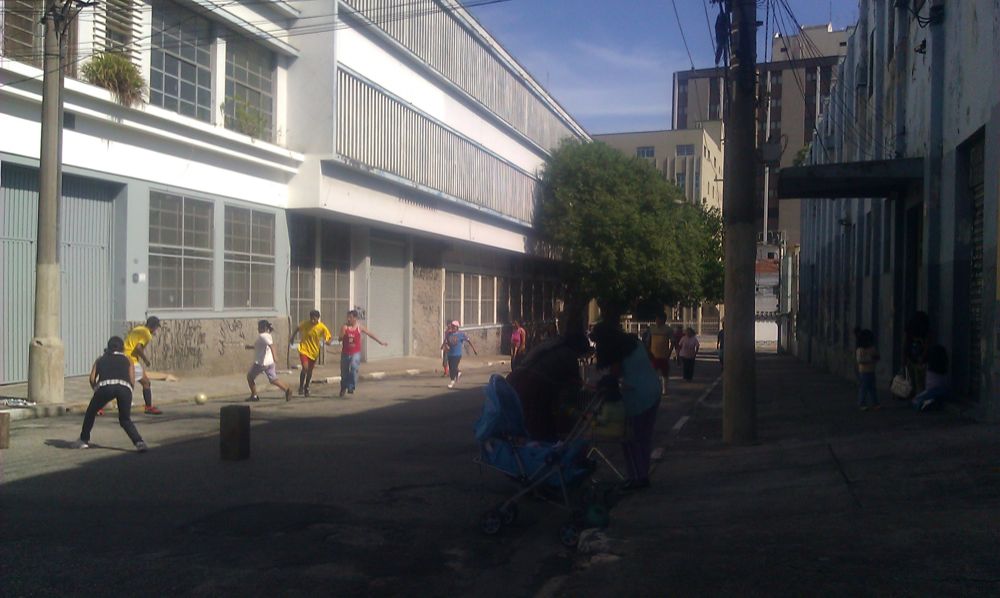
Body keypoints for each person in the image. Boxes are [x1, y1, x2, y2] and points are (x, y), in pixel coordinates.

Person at [589, 321, 660, 491]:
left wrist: (598, 387)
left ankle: (637, 477)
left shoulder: (617, 351)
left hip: (638, 396)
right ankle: (640, 475)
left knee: (631, 439)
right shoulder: (634, 342)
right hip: (653, 390)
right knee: (643, 438)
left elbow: (613, 377)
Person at [506, 331, 591, 441]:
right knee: (539, 424)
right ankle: (539, 450)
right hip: (533, 385)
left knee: (525, 422)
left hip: (516, 378)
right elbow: (574, 385)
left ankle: (529, 448)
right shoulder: (569, 354)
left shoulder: (553, 344)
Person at [73, 336, 147, 452]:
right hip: (124, 387)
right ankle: (139, 442)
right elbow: (132, 379)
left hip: (105, 386)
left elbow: (92, 379)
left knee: (91, 412)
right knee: (125, 419)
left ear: (108, 348)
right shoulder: (128, 359)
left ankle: (83, 440)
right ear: (122, 348)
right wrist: (128, 391)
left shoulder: (100, 359)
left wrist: (96, 391)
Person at [339, 310, 388, 397]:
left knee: (354, 367)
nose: (348, 319)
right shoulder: (345, 327)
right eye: (348, 317)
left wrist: (381, 342)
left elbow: (370, 334)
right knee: (344, 372)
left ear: (355, 318)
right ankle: (343, 387)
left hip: (355, 353)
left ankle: (351, 386)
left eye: (350, 317)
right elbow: (340, 338)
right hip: (345, 353)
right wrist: (342, 335)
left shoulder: (359, 327)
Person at [123, 316, 163, 415]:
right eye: (156, 328)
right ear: (153, 327)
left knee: (120, 383)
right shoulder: (147, 334)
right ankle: (148, 407)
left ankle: (99, 407)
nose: (156, 330)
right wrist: (145, 360)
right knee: (146, 383)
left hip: (122, 357)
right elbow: (138, 347)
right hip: (131, 360)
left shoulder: (137, 329)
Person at [245, 320, 292, 402]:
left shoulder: (263, 336)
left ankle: (254, 395)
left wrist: (275, 356)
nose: (258, 329)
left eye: (259, 327)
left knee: (250, 377)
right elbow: (262, 346)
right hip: (270, 363)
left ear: (264, 328)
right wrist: (250, 347)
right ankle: (287, 389)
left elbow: (272, 346)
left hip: (261, 363)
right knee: (273, 379)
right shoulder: (268, 335)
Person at [290, 310, 333, 397]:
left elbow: (329, 337)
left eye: (314, 318)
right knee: (305, 368)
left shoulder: (322, 327)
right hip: (304, 349)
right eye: (311, 318)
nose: (312, 320)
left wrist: (328, 341)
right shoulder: (306, 324)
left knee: (309, 371)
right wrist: (292, 338)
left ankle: (307, 387)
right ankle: (301, 386)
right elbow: (298, 328)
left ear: (318, 318)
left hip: (314, 352)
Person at [913, 345, 949, 412]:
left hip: (931, 391)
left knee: (916, 400)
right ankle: (933, 402)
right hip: (943, 390)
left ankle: (927, 404)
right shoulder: (943, 366)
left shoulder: (929, 366)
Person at [442, 321, 477, 388]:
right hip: (450, 354)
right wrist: (445, 345)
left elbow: (468, 341)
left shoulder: (461, 334)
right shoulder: (449, 334)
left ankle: (452, 381)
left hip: (457, 354)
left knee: (453, 367)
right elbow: (446, 341)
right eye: (452, 326)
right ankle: (457, 373)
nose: (452, 327)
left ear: (457, 327)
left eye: (454, 326)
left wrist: (474, 349)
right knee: (451, 367)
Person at [903, 311, 930, 398]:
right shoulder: (925, 330)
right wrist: (922, 357)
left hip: (910, 357)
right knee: (920, 380)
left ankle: (913, 394)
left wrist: (905, 356)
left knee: (911, 378)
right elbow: (927, 344)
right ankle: (919, 397)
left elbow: (905, 343)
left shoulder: (909, 329)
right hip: (921, 358)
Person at [646, 314, 673, 395]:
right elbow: (648, 341)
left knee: (665, 373)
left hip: (664, 355)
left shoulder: (668, 329)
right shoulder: (652, 328)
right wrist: (648, 351)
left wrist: (669, 352)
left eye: (659, 319)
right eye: (656, 319)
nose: (657, 321)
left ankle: (665, 390)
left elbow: (673, 342)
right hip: (653, 355)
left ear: (664, 320)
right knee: (652, 373)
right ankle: (653, 388)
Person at [856, 329, 880, 411]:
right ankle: (861, 403)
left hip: (871, 371)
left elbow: (876, 356)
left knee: (872, 389)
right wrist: (871, 358)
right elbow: (860, 360)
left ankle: (875, 403)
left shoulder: (872, 348)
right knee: (863, 388)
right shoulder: (860, 350)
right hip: (864, 372)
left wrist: (876, 357)